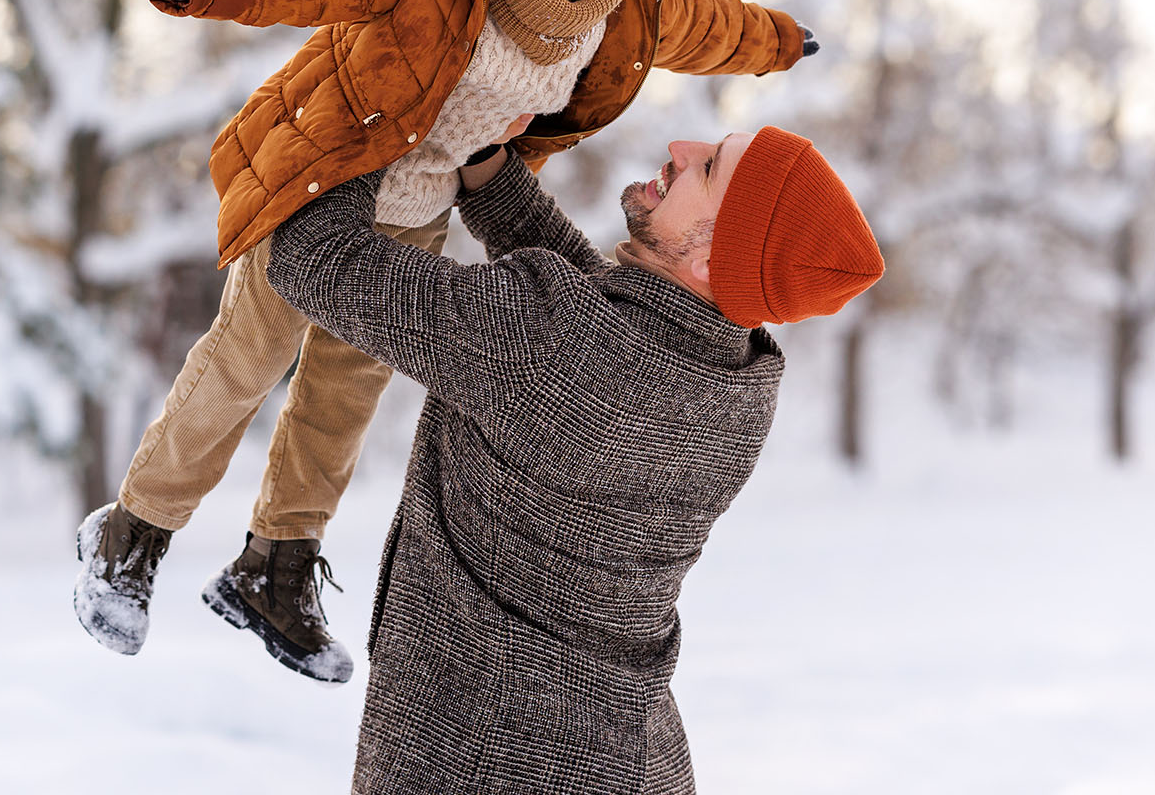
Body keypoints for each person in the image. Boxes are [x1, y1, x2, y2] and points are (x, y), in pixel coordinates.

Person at [74, 0, 818, 682]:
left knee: (342, 398)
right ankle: (131, 534)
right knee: (245, 361)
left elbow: (710, 28)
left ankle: (276, 567)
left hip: (419, 208)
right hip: (327, 174)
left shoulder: (626, 6)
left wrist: (780, 39)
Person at [263, 126, 883, 793]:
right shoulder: (739, 383)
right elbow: (590, 320)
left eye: (707, 169)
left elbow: (313, 258)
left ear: (711, 257)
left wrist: (370, 120)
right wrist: (488, 168)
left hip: (481, 759)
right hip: (627, 758)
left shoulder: (551, 342)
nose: (681, 146)